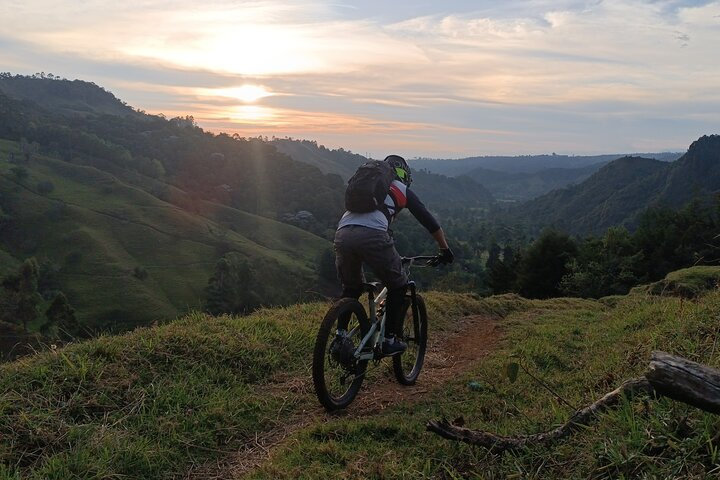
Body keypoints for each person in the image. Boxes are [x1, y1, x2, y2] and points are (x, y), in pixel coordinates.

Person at [334, 154, 454, 355]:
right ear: (403, 174)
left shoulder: (368, 190)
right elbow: (429, 222)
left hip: (342, 233)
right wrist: (444, 249)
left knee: (351, 289)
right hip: (372, 236)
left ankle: (340, 336)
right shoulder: (401, 189)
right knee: (398, 285)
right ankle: (389, 339)